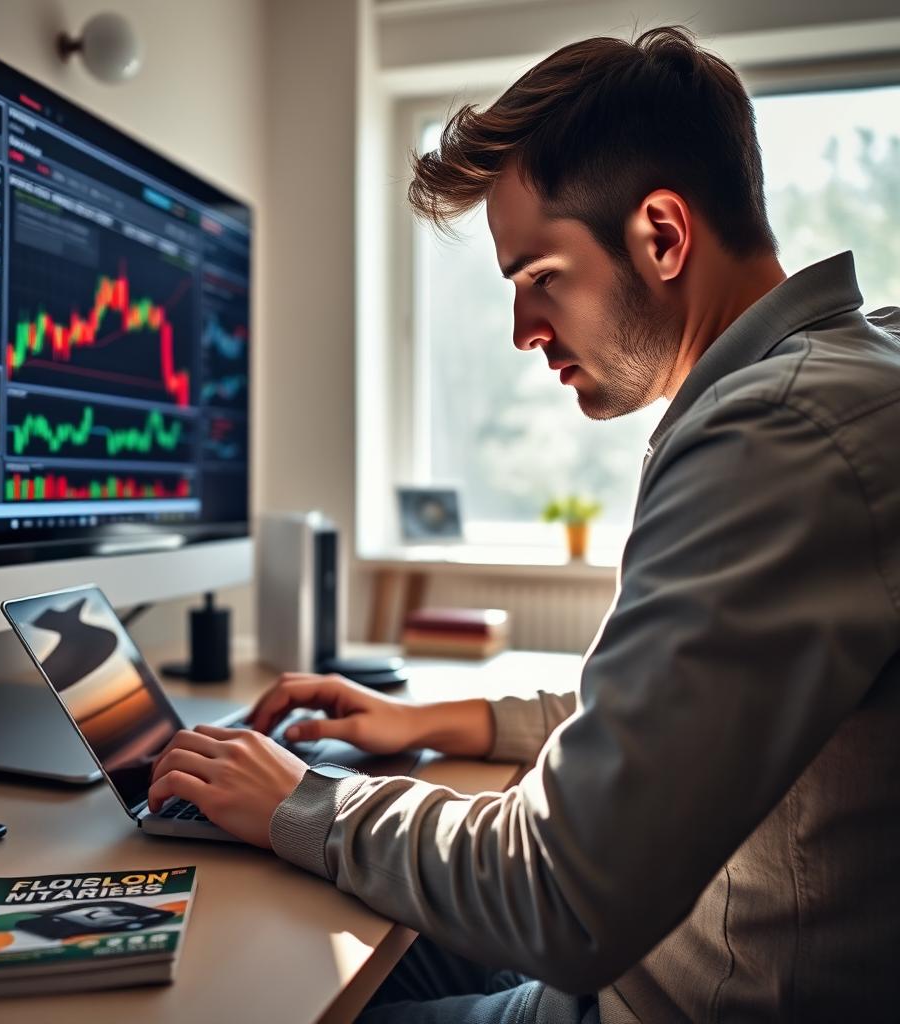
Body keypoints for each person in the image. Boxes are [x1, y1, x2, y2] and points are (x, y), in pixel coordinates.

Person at [147, 25, 900, 1023]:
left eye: (538, 275)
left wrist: (301, 799)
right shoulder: (844, 378)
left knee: (239, 990)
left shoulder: (777, 435)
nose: (521, 330)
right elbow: (687, 711)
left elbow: (560, 894)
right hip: (645, 960)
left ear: (662, 235)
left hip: (642, 998)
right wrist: (439, 722)